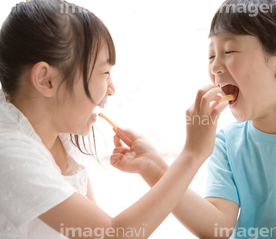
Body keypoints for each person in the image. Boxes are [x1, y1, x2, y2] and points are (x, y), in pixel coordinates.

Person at [113, 0, 276, 238]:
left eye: (229, 51)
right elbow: (216, 229)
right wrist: (152, 166)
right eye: (211, 55)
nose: (215, 67)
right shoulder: (226, 144)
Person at [0, 0, 229, 238]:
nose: (111, 89)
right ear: (46, 80)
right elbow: (113, 234)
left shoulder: (59, 129)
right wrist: (193, 153)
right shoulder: (9, 152)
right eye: (105, 73)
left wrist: (151, 165)